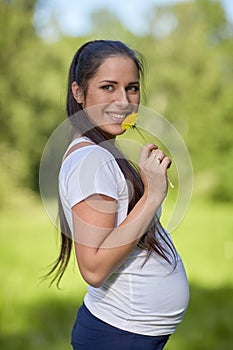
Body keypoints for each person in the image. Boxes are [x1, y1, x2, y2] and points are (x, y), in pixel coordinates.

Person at [47, 40, 189, 350]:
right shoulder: (91, 160)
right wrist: (152, 195)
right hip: (118, 337)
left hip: (125, 335)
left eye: (132, 88)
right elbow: (94, 268)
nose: (124, 101)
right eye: (108, 87)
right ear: (78, 92)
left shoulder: (100, 152)